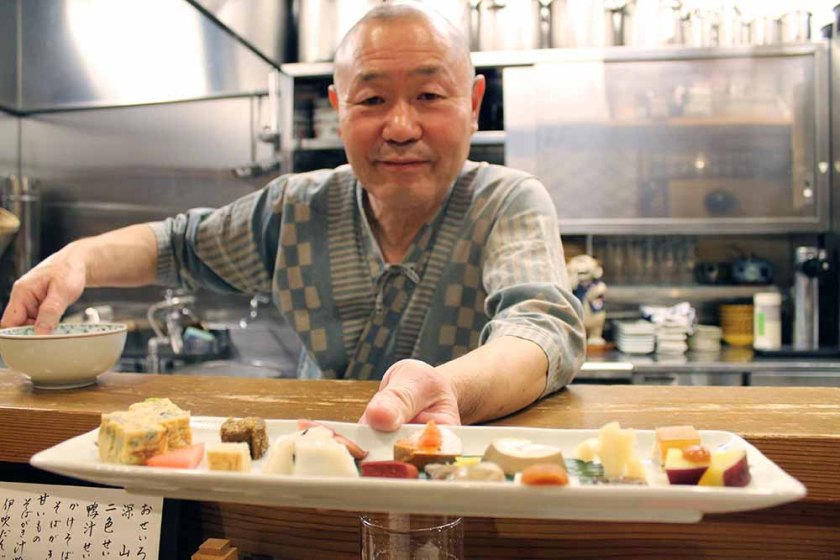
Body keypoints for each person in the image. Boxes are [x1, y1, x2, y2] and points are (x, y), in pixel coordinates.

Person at [0, 3, 585, 431]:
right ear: (338, 108)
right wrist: (77, 258)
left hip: (455, 477)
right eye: (372, 100)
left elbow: (539, 332)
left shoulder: (506, 200)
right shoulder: (296, 207)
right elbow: (178, 245)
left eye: (430, 96)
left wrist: (445, 387)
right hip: (309, 469)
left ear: (474, 104)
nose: (401, 127)